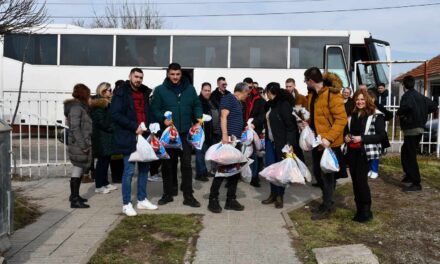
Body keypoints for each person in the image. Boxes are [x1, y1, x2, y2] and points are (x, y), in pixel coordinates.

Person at [151, 63, 203, 207]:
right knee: (168, 165)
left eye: (177, 74)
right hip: (169, 134)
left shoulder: (190, 89)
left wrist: (198, 118)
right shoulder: (160, 90)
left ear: (181, 74)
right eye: (172, 74)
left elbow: (197, 105)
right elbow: (155, 109)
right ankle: (168, 193)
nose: (175, 77)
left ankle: (188, 195)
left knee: (186, 165)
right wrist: (163, 118)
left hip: (185, 133)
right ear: (168, 74)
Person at [111, 68, 158, 216]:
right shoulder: (121, 92)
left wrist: (153, 125)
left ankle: (142, 199)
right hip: (128, 136)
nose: (138, 80)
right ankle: (126, 203)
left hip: (144, 136)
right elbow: (115, 114)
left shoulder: (144, 92)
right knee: (129, 171)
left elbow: (147, 112)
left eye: (140, 77)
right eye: (136, 76)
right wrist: (134, 127)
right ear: (130, 76)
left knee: (144, 169)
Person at [304, 67, 348, 220]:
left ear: (311, 80)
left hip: (330, 143)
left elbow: (341, 119)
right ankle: (327, 202)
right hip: (317, 142)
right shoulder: (313, 96)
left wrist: (328, 139)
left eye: (306, 80)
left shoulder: (332, 95)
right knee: (318, 173)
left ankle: (327, 206)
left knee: (327, 176)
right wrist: (306, 124)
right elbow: (317, 117)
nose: (305, 83)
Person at [344, 89, 386, 222]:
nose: (360, 102)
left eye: (362, 99)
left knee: (361, 181)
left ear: (367, 100)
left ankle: (366, 211)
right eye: (357, 99)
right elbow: (346, 131)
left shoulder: (376, 115)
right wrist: (346, 136)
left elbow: (381, 136)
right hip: (351, 151)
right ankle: (359, 210)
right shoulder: (351, 115)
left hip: (365, 152)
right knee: (355, 181)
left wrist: (361, 138)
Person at [207, 82, 249, 213]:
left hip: (235, 140)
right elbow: (223, 116)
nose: (247, 96)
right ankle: (212, 200)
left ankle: (231, 199)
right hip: (228, 140)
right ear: (242, 91)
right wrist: (225, 135)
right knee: (222, 170)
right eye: (247, 93)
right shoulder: (228, 98)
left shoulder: (237, 102)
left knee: (235, 171)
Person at [397, 75, 438, 192]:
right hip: (419, 128)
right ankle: (409, 176)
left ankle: (416, 183)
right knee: (406, 151)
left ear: (404, 85)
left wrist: (399, 113)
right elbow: (434, 106)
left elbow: (406, 107)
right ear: (413, 84)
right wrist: (424, 112)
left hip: (411, 129)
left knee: (410, 155)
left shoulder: (407, 96)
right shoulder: (421, 96)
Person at [261, 82, 299, 209]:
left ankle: (280, 196)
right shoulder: (268, 105)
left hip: (281, 143)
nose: (266, 94)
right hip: (269, 142)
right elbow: (263, 118)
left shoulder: (283, 105)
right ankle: (272, 194)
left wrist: (289, 144)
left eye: (267, 92)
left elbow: (291, 127)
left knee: (280, 171)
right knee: (271, 169)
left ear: (271, 92)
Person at [64, 84, 92, 208]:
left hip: (79, 143)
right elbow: (75, 128)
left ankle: (75, 195)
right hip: (79, 144)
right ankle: (74, 199)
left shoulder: (79, 107)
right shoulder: (76, 108)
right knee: (78, 167)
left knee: (79, 168)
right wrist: (83, 145)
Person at [90, 82, 118, 194]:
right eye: (109, 90)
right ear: (103, 91)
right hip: (101, 138)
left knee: (106, 160)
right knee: (102, 162)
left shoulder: (107, 103)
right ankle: (99, 185)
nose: (111, 92)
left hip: (106, 137)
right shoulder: (99, 105)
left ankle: (105, 182)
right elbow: (101, 123)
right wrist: (113, 128)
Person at [243, 77, 265, 187]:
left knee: (255, 155)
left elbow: (262, 116)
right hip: (243, 130)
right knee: (241, 153)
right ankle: (239, 175)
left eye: (250, 87)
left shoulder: (259, 100)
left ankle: (254, 177)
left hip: (254, 130)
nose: (249, 90)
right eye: (246, 87)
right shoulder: (241, 98)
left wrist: (253, 124)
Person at [366, 90, 392, 179]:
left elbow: (388, 115)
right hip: (366, 134)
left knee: (374, 153)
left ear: (373, 99)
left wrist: (382, 121)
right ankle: (369, 169)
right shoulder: (364, 110)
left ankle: (374, 170)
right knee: (367, 153)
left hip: (375, 135)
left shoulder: (378, 109)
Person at [195, 82, 215, 181]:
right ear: (201, 90)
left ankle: (204, 171)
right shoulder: (198, 101)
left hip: (207, 132)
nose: (207, 92)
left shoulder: (209, 102)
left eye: (209, 90)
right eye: (205, 90)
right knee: (200, 153)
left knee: (204, 153)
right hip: (199, 132)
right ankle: (200, 174)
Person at [109, 80, 125, 184]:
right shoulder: (115, 98)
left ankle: (118, 176)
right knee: (116, 156)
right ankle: (116, 177)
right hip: (115, 130)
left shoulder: (117, 97)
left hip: (120, 130)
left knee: (119, 156)